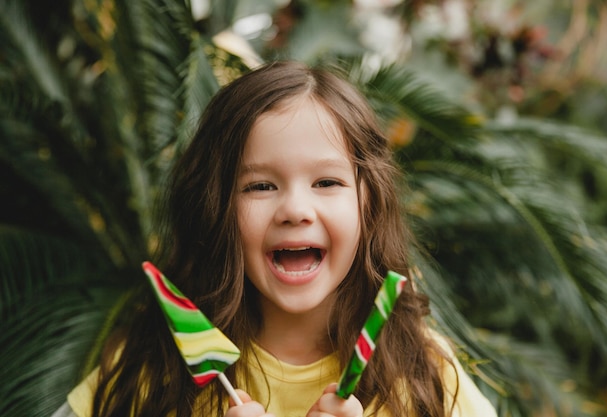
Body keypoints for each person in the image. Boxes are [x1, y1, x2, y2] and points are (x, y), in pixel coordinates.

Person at [53, 61, 498, 417]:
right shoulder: (154, 367)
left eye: (327, 182)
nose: (296, 210)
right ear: (216, 207)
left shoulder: (422, 374)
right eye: (260, 186)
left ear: (370, 202)